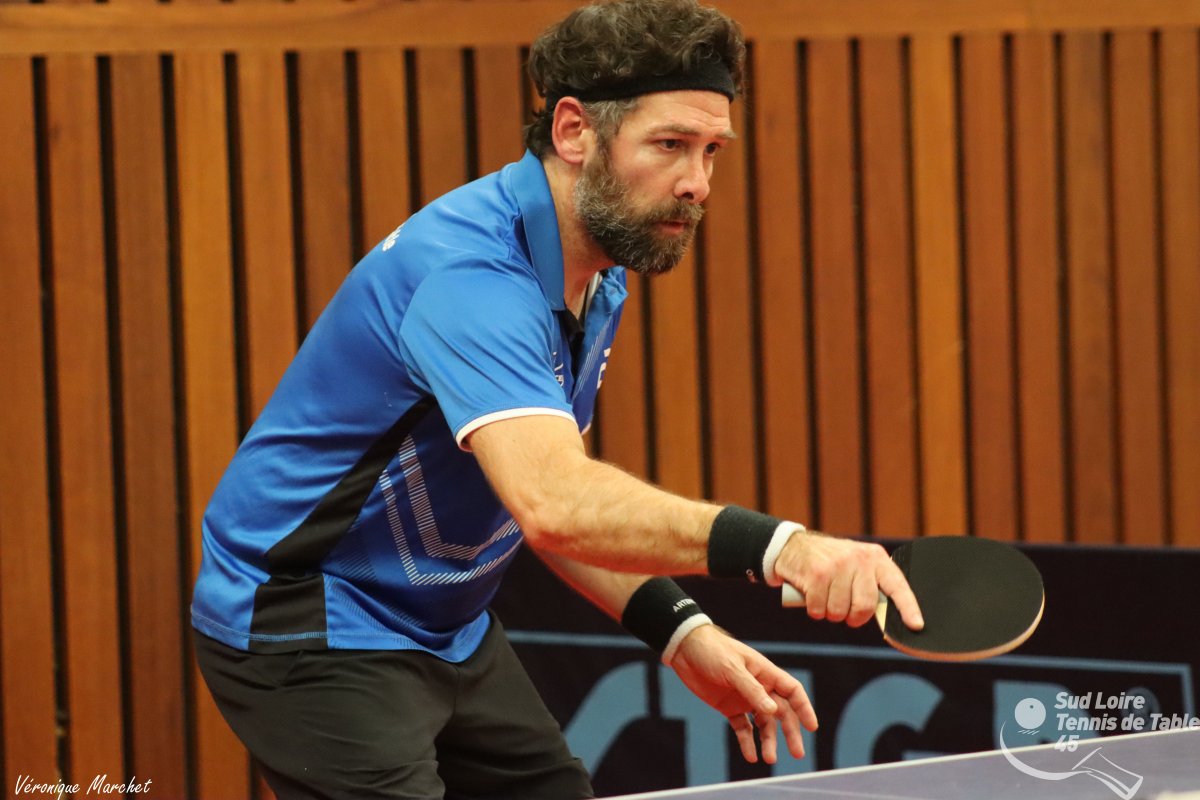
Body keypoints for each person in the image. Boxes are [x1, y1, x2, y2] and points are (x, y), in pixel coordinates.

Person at [191, 1, 925, 797]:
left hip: (447, 627)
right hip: (311, 625)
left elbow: (538, 498)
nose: (697, 183)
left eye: (712, 150)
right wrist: (783, 548)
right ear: (574, 131)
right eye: (670, 145)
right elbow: (555, 503)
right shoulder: (472, 278)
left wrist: (681, 632)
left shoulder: (597, 275)